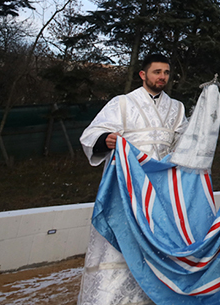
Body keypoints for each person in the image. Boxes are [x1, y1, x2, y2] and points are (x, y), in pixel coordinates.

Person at [77, 54, 188, 305]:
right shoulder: (122, 103)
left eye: (166, 73)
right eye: (157, 72)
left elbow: (185, 143)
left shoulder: (177, 108)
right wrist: (105, 139)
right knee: (120, 243)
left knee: (159, 240)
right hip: (126, 187)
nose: (162, 77)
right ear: (143, 74)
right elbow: (90, 134)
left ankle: (156, 295)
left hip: (160, 188)